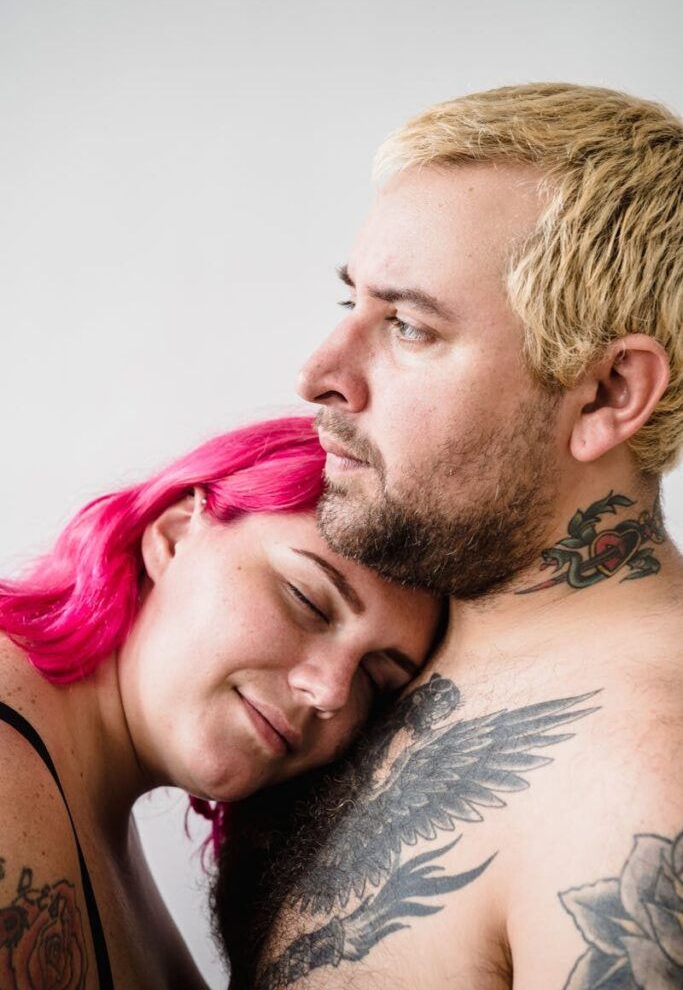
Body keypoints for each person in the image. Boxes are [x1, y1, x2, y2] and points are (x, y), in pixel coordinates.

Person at [216, 84, 683, 989]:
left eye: (407, 326)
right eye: (350, 302)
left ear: (607, 393)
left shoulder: (638, 782)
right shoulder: (407, 625)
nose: (317, 374)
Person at [0, 415, 439, 989]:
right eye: (307, 600)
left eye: (374, 679)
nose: (331, 691)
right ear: (175, 535)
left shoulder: (96, 810)